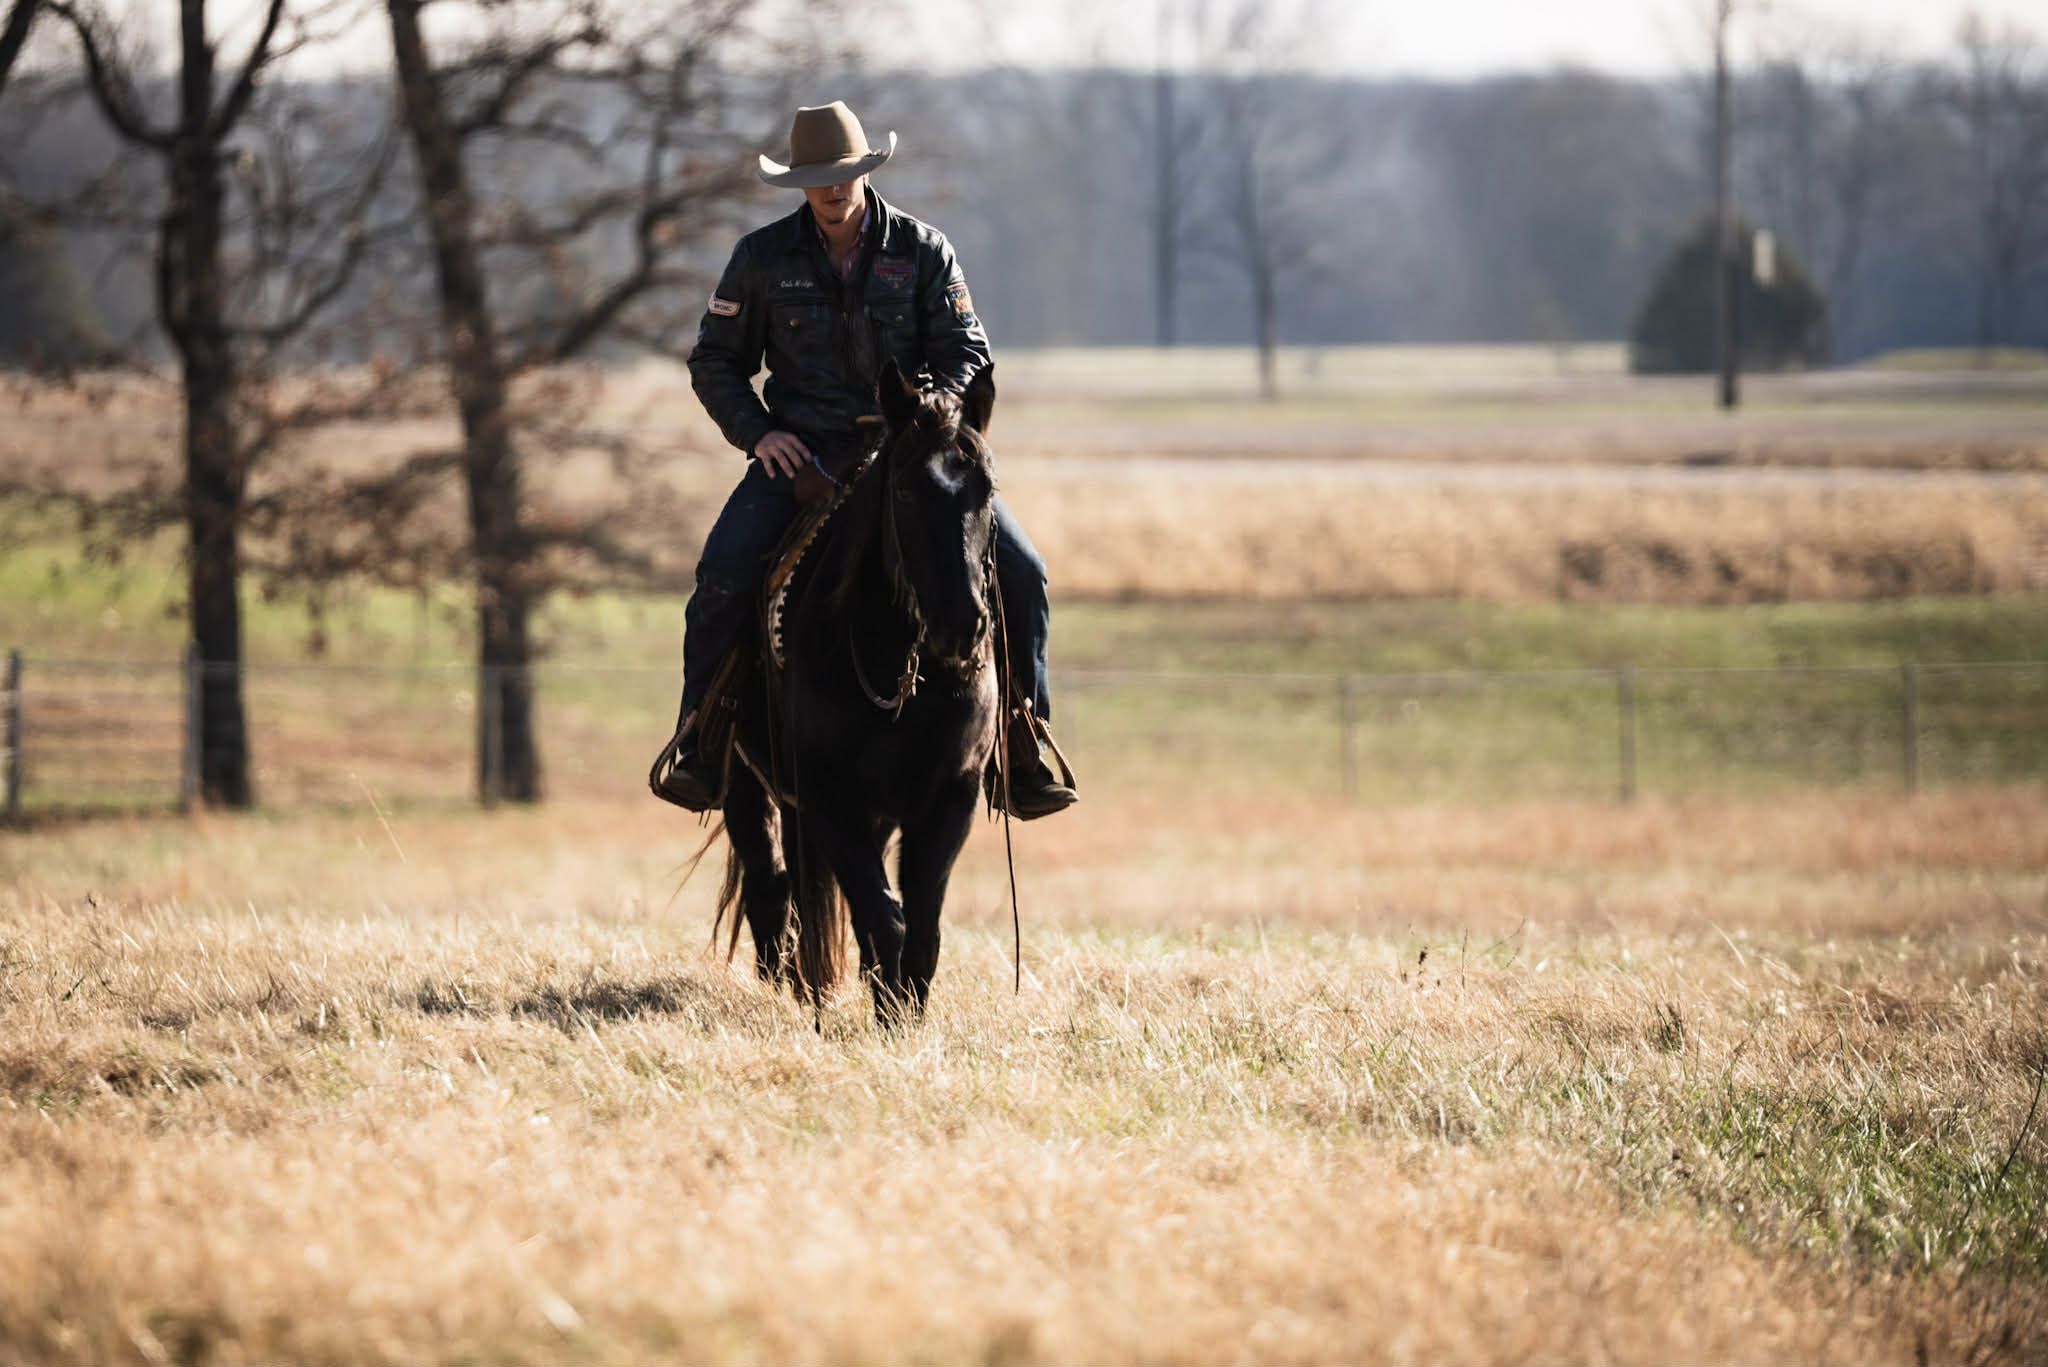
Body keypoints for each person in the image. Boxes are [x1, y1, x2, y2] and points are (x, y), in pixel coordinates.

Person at [656, 100, 1077, 820]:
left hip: (911, 457)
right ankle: (703, 737)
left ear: (864, 172)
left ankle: (1021, 739)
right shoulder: (759, 260)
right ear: (799, 184)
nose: (831, 188)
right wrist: (759, 434)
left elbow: (966, 353)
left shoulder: (923, 251)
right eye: (817, 177)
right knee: (724, 573)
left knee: (1025, 573)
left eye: (843, 173)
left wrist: (927, 421)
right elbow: (714, 362)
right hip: (801, 456)